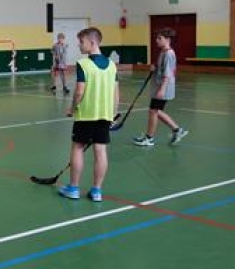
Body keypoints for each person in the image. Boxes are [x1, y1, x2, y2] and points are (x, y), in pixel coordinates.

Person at [59, 27, 119, 202]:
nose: (79, 45)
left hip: (86, 114)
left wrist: (72, 108)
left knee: (78, 148)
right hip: (105, 115)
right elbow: (116, 92)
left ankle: (73, 188)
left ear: (92, 43)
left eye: (81, 42)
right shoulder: (112, 65)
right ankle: (97, 191)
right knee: (100, 151)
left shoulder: (83, 64)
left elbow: (79, 91)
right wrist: (113, 113)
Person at [133, 28, 189, 147]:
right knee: (156, 111)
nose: (156, 40)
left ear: (167, 39)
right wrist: (155, 67)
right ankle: (177, 130)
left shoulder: (169, 53)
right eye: (156, 38)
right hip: (159, 86)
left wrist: (162, 90)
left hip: (164, 88)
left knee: (153, 111)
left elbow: (167, 74)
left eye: (160, 38)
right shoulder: (163, 52)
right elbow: (161, 68)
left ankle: (149, 138)